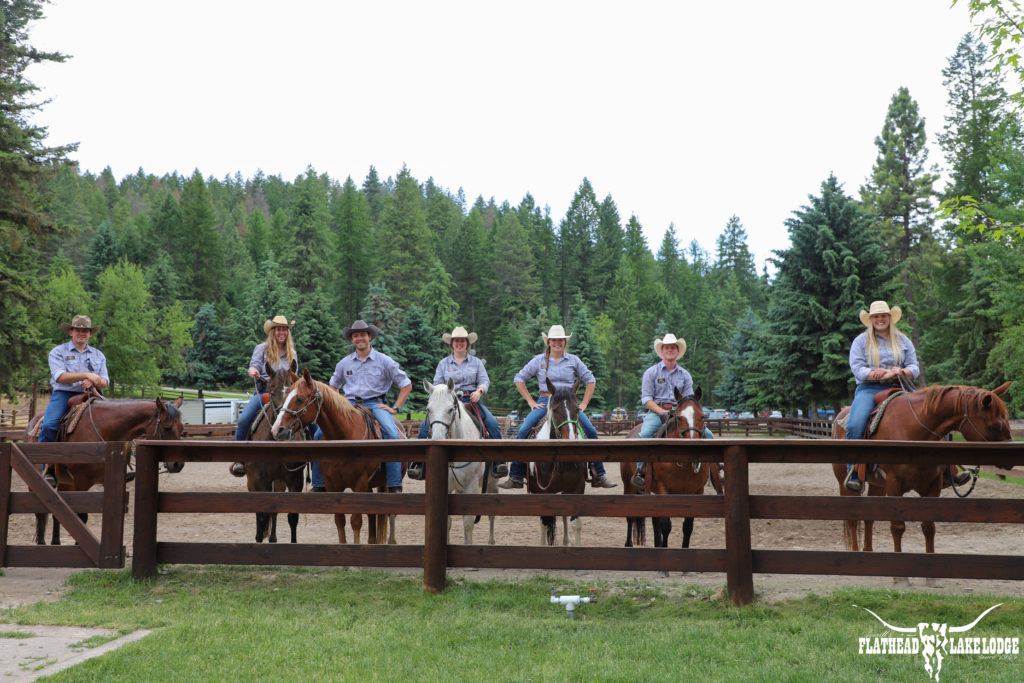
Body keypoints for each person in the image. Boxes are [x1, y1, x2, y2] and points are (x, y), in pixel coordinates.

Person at [499, 325, 616, 489]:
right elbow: (519, 378)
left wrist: (583, 404)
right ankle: (517, 475)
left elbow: (591, 380)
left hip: (568, 403)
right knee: (523, 430)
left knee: (591, 431)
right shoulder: (538, 360)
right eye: (554, 340)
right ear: (549, 342)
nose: (557, 343)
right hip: (546, 401)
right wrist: (531, 402)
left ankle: (599, 474)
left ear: (564, 342)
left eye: (560, 340)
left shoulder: (573, 360)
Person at [409, 326, 507, 480]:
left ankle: (498, 463)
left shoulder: (476, 363)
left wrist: (479, 391)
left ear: (467, 344)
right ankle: (419, 464)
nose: (459, 343)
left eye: (462, 341)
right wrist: (442, 394)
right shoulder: (443, 363)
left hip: (471, 400)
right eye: (456, 341)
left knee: (493, 424)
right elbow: (436, 384)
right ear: (452, 344)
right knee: (424, 426)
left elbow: (484, 380)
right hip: (447, 401)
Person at [843, 300, 921, 492]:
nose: (880, 320)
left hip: (900, 385)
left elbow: (914, 366)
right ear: (870, 320)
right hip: (870, 388)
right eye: (876, 317)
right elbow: (857, 368)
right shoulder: (861, 341)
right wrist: (873, 373)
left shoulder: (903, 341)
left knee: (932, 412)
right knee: (855, 424)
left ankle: (947, 469)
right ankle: (855, 471)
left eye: (883, 316)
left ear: (889, 318)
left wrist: (903, 371)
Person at [328, 319, 411, 493]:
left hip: (375, 404)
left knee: (392, 434)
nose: (359, 338)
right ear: (352, 340)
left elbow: (406, 384)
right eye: (355, 335)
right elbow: (333, 386)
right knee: (321, 432)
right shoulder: (344, 363)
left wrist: (395, 408)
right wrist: (338, 403)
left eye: (362, 335)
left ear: (369, 337)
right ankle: (319, 484)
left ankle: (394, 483)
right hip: (349, 405)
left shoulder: (384, 361)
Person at [630, 333, 714, 491]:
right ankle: (640, 472)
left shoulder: (685, 375)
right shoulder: (651, 372)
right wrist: (661, 412)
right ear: (662, 351)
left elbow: (689, 400)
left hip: (679, 413)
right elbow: (646, 399)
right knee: (646, 434)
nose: (670, 350)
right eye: (667, 347)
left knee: (709, 435)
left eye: (673, 347)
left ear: (677, 351)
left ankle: (713, 472)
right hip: (656, 412)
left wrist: (681, 412)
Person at [39, 315, 110, 486]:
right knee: (49, 425)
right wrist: (85, 375)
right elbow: (60, 377)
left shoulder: (98, 355)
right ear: (71, 331)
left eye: (85, 331)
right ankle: (48, 467)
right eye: (78, 330)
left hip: (93, 394)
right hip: (65, 394)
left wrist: (94, 380)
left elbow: (105, 381)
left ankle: (121, 465)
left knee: (118, 420)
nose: (81, 334)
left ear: (90, 334)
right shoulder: (58, 352)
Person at [231, 315, 303, 477]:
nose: (281, 333)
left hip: (286, 394)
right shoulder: (261, 349)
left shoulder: (292, 353)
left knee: (308, 420)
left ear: (287, 332)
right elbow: (253, 366)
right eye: (278, 329)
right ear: (273, 331)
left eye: (284, 330)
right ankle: (239, 459)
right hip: (265, 391)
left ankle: (312, 458)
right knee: (244, 420)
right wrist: (253, 372)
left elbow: (294, 376)